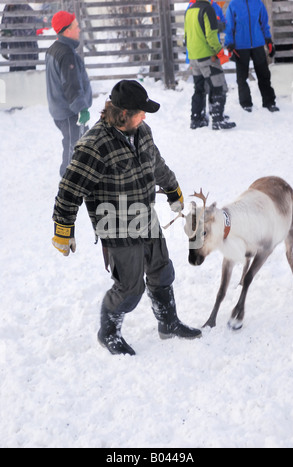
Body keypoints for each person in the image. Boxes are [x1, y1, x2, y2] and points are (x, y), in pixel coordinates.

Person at [52, 80, 202, 356]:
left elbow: (156, 164)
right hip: (117, 226)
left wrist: (173, 191)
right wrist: (63, 229)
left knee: (162, 271)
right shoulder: (93, 146)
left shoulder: (142, 131)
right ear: (123, 114)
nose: (145, 116)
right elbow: (69, 190)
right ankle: (107, 333)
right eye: (140, 112)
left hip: (145, 216)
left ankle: (168, 323)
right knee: (130, 287)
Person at [46, 10, 92, 177]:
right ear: (67, 30)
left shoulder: (54, 48)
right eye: (76, 26)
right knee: (75, 146)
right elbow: (71, 86)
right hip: (70, 112)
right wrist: (82, 109)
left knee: (78, 143)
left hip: (61, 110)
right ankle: (69, 180)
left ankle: (78, 175)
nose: (79, 29)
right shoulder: (66, 54)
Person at [184, 0, 236, 130]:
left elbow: (186, 35)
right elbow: (211, 36)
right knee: (219, 86)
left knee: (199, 88)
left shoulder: (190, 10)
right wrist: (219, 52)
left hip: (194, 56)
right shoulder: (208, 9)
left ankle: (197, 119)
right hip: (207, 56)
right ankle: (218, 119)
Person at [225, 0, 279, 112]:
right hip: (241, 46)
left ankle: (269, 102)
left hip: (257, 44)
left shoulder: (258, 3)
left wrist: (268, 40)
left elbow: (264, 23)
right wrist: (229, 43)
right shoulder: (233, 4)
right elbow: (229, 26)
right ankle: (246, 103)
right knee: (242, 77)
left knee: (264, 74)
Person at [1, 3, 39, 72]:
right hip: (14, 57)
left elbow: (28, 31)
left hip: (28, 56)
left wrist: (12, 33)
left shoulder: (26, 8)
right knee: (14, 81)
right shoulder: (6, 8)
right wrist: (4, 45)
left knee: (29, 81)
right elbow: (4, 28)